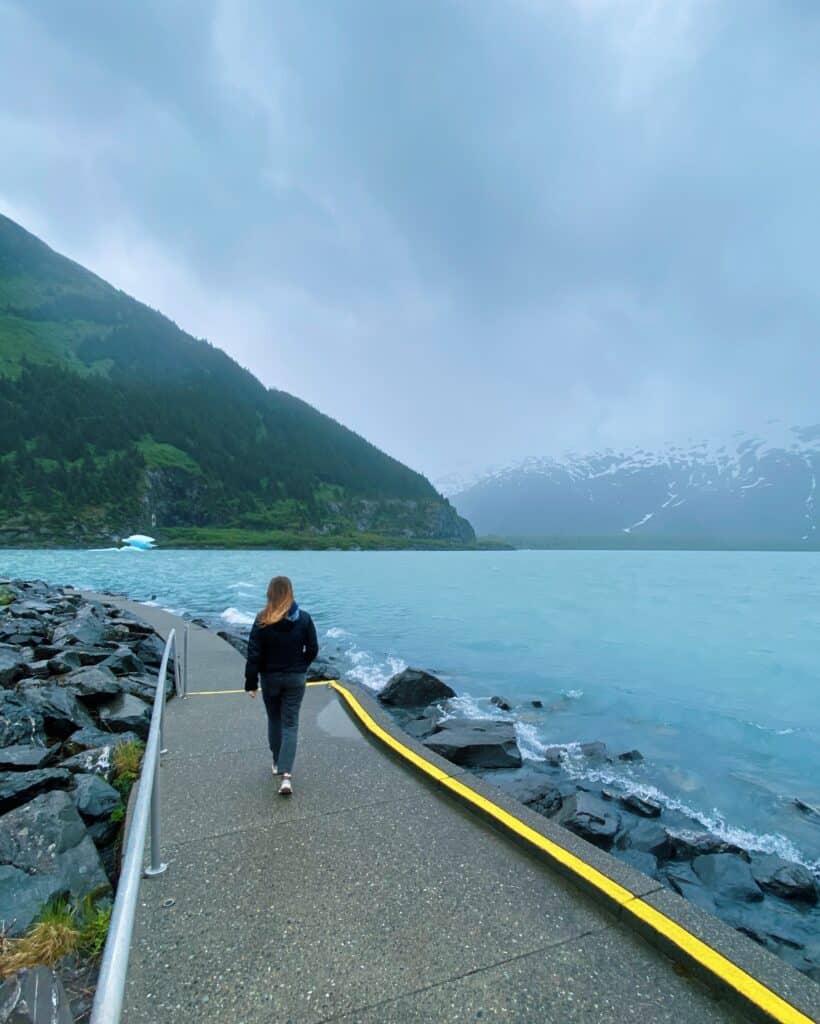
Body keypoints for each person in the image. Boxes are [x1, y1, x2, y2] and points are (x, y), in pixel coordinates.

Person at [244, 576, 319, 796]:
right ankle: (286, 776)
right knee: (290, 724)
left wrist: (251, 682)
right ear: (290, 592)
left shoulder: (262, 619)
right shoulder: (304, 619)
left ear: (270, 593)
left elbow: (254, 654)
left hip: (270, 678)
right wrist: (301, 666)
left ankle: (277, 763)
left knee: (275, 719)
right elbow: (313, 648)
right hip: (295, 678)